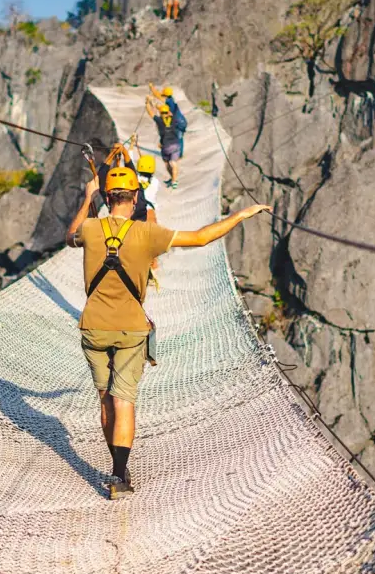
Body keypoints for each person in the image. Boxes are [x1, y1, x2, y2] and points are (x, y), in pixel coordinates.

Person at [66, 167, 271, 498]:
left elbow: (70, 234)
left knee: (106, 399)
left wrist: (89, 199)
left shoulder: (91, 228)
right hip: (131, 329)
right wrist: (242, 214)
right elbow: (202, 237)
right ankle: (120, 476)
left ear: (107, 198)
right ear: (134, 199)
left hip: (93, 327)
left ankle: (116, 466)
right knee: (125, 401)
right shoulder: (148, 233)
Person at [146, 97, 181, 187]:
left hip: (166, 146)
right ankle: (174, 181)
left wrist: (147, 103)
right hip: (176, 144)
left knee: (167, 163)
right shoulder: (173, 119)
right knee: (174, 163)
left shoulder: (160, 121)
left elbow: (151, 113)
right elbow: (168, 112)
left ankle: (173, 179)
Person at [149, 83, 187, 156]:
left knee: (177, 137)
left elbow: (158, 96)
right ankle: (179, 153)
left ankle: (178, 154)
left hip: (178, 123)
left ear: (165, 95)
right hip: (182, 121)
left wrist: (151, 88)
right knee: (179, 138)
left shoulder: (168, 101)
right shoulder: (171, 100)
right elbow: (159, 97)